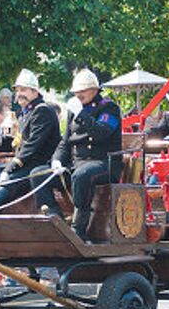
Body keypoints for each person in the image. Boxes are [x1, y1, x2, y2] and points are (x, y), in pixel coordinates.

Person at [31, 68, 122, 241]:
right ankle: (55, 220)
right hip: (78, 164)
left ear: (94, 90)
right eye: (76, 92)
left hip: (104, 163)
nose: (78, 95)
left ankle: (78, 229)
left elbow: (101, 132)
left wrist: (81, 114)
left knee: (82, 176)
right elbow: (66, 142)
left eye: (82, 91)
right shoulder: (75, 111)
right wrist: (57, 161)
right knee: (38, 174)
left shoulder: (109, 108)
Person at [0, 69, 60, 212]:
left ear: (35, 91)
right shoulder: (24, 113)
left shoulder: (43, 111)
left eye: (23, 90)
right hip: (23, 165)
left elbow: (32, 146)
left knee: (10, 181)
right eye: (17, 91)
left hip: (37, 165)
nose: (19, 94)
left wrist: (10, 167)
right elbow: (17, 142)